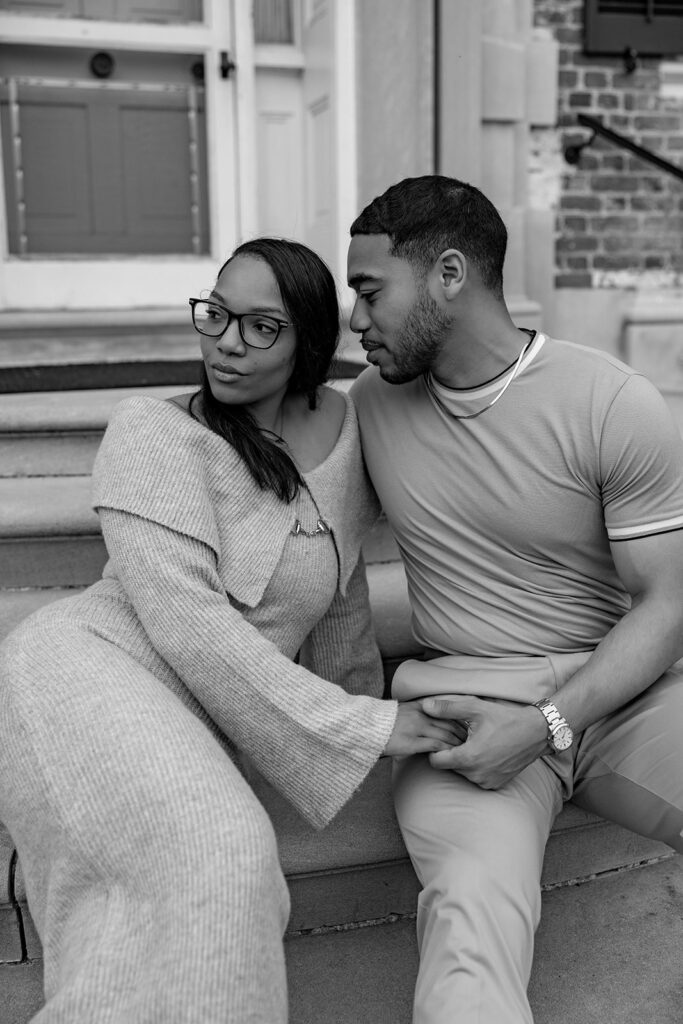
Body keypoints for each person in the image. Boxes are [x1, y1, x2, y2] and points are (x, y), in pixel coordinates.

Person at [0, 237, 459, 1023]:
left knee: (192, 888)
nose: (225, 343)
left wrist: (363, 715)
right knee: (223, 852)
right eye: (215, 314)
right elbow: (188, 627)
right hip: (85, 669)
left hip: (199, 719)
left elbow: (342, 604)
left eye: (259, 326)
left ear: (309, 340)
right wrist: (367, 727)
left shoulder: (343, 432)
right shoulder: (153, 433)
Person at [347, 175, 683, 1024]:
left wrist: (545, 726)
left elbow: (667, 605)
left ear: (449, 274)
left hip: (619, 698)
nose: (355, 321)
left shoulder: (611, 403)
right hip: (460, 716)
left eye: (369, 291)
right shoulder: (368, 407)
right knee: (470, 933)